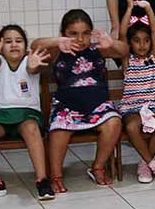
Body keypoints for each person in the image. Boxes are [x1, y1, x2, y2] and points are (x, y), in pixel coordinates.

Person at [32, 10, 126, 193]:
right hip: (67, 107)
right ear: (63, 34)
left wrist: (111, 42)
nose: (80, 39)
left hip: (98, 105)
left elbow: (125, 50)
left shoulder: (97, 48)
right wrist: (57, 42)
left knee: (114, 122)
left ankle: (97, 167)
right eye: (73, 34)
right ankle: (56, 176)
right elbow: (35, 45)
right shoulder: (57, 51)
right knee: (59, 129)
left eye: (85, 33)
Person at [0, 26, 52, 201]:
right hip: (1, 117)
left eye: (18, 41)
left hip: (28, 115)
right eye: (8, 42)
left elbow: (34, 69)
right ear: (1, 46)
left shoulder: (30, 61)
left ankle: (42, 180)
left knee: (32, 128)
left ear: (25, 45)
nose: (14, 45)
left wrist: (34, 65)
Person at [117, 0, 155, 184]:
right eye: (137, 41)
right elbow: (121, 34)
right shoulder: (127, 60)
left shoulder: (154, 59)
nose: (142, 45)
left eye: (146, 41)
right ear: (130, 44)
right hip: (132, 106)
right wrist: (130, 8)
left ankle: (144, 162)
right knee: (132, 127)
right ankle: (154, 164)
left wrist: (148, 9)